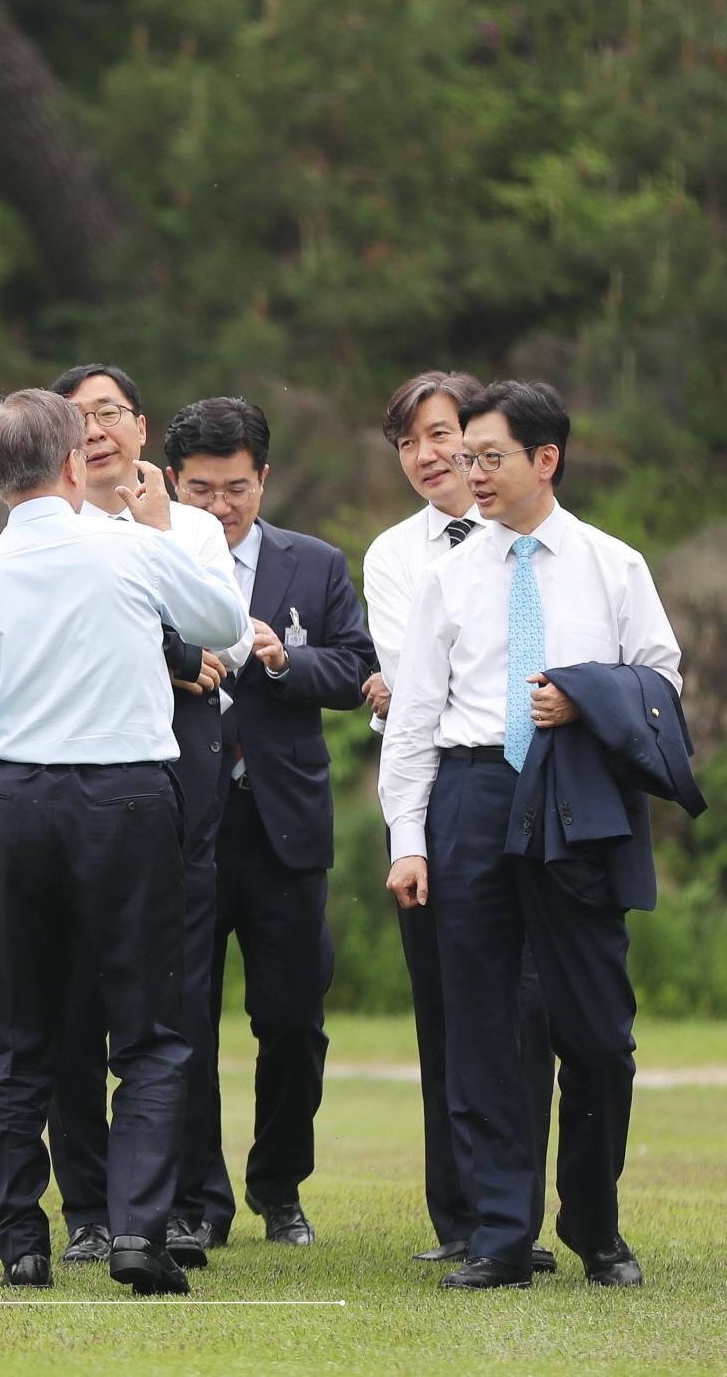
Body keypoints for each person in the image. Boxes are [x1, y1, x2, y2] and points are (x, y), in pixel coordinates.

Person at [380, 380, 690, 1290]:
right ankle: (502, 1237)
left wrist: (585, 697)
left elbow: (662, 683)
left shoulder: (613, 564)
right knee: (478, 1026)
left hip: (578, 792)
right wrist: (408, 835)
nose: (466, 473)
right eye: (465, 457)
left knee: (597, 1032)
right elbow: (414, 716)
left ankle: (597, 1226)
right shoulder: (448, 574)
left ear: (544, 460)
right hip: (471, 790)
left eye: (488, 457)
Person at [0, 388, 249, 1292]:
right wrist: (156, 530)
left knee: (15, 1029)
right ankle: (139, 1234)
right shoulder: (129, 548)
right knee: (150, 1029)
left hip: (15, 797)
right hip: (125, 796)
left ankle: (21, 1240)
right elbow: (225, 625)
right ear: (76, 463)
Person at [41, 364, 254, 1272]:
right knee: (70, 1002)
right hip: (71, 778)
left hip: (181, 781)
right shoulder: (41, 528)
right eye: (80, 416)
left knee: (172, 999)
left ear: (139, 428)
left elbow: (230, 635)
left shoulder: (194, 525)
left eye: (112, 413)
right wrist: (169, 653)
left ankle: (170, 1205)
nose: (97, 430)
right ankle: (89, 1202)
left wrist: (161, 529)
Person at [164, 397, 376, 1248]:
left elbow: (357, 666)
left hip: (283, 823)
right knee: (182, 1018)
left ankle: (279, 1186)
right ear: (172, 484)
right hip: (183, 816)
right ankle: (196, 1198)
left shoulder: (314, 564)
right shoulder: (148, 559)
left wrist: (286, 659)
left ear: (265, 479)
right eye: (204, 489)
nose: (221, 507)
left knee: (292, 1018)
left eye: (239, 488)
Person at [363, 371, 556, 1270]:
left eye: (444, 435)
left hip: (539, 780)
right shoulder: (399, 557)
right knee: (451, 1006)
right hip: (446, 788)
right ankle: (465, 1214)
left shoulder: (538, 538)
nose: (431, 456)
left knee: (533, 1007)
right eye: (410, 443)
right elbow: (412, 688)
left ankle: (519, 1212)